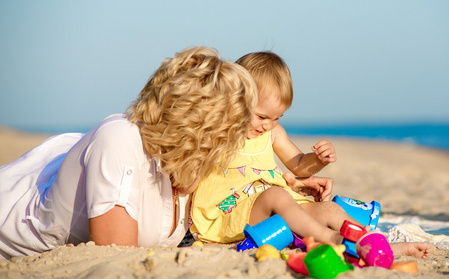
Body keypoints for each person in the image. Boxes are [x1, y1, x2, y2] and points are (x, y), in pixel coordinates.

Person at [0, 46, 259, 260]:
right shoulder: (120, 140)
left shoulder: (188, 162)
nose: (237, 141)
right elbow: (117, 255)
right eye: (231, 129)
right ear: (203, 129)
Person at [190, 51, 431, 258]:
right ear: (235, 100)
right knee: (277, 195)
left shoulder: (272, 133)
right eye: (262, 117)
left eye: (277, 118)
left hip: (277, 208)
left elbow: (298, 165)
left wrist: (316, 160)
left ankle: (376, 245)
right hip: (230, 213)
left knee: (329, 210)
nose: (268, 125)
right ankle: (333, 239)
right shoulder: (219, 132)